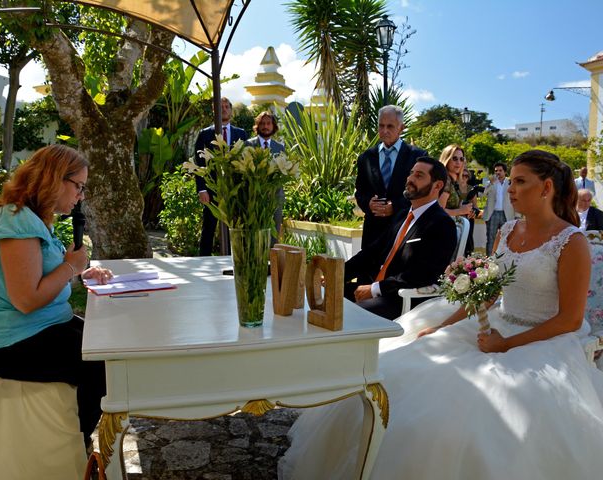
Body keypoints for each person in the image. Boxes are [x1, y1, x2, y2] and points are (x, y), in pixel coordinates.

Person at [278, 150, 603, 480]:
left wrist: (505, 345)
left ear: (547, 187)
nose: (511, 189)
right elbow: (488, 294)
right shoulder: (507, 231)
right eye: (513, 181)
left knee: (471, 413)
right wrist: (444, 326)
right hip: (496, 325)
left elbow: (570, 319)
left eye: (520, 182)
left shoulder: (570, 242)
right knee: (401, 371)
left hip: (545, 340)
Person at [0, 144, 112, 449]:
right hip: (10, 342)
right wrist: (72, 265)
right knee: (101, 365)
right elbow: (26, 299)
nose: (80, 196)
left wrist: (79, 273)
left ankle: (81, 445)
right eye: (79, 187)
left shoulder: (28, 217)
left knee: (107, 343)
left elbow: (38, 276)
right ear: (55, 178)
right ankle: (78, 449)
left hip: (35, 328)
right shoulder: (16, 221)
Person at [344, 156, 457, 320]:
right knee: (329, 295)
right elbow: (371, 252)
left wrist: (375, 289)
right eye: (411, 173)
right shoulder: (402, 215)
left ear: (437, 185)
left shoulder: (442, 224)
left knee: (349, 314)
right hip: (376, 287)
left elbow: (422, 274)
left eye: (419, 176)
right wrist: (338, 274)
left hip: (402, 299)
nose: (410, 179)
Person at [355, 105, 427, 249]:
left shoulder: (418, 157)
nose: (384, 131)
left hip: (404, 233)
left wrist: (395, 206)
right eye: (381, 126)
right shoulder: (366, 157)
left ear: (401, 127)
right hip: (372, 235)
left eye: (390, 126)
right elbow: (360, 192)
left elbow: (422, 194)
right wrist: (368, 204)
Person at [194, 97, 248, 256]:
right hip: (211, 189)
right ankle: (203, 260)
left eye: (226, 106)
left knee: (235, 227)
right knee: (209, 228)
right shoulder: (204, 134)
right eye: (220, 107)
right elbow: (199, 163)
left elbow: (245, 161)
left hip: (234, 189)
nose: (223, 109)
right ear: (214, 111)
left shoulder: (242, 134)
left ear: (231, 110)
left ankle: (235, 259)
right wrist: (201, 189)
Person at [245, 111, 285, 240]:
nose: (265, 126)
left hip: (275, 196)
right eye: (262, 123)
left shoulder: (280, 148)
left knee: (274, 233)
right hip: (254, 196)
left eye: (268, 123)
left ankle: (271, 259)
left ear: (273, 126)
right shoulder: (248, 145)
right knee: (255, 235)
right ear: (257, 126)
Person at [483, 161, 514, 254]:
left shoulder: (510, 182)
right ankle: (488, 261)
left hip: (507, 214)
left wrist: (517, 215)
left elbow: (516, 198)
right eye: (496, 171)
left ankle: (504, 259)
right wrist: (491, 183)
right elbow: (483, 194)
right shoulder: (490, 183)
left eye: (500, 170)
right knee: (491, 238)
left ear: (505, 172)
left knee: (506, 238)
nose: (498, 172)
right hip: (493, 214)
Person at [458, 166, 481, 255]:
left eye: (466, 176)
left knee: (467, 240)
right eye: (462, 175)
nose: (464, 177)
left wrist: (474, 212)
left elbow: (476, 207)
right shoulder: (453, 188)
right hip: (454, 217)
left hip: (468, 219)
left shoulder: (471, 189)